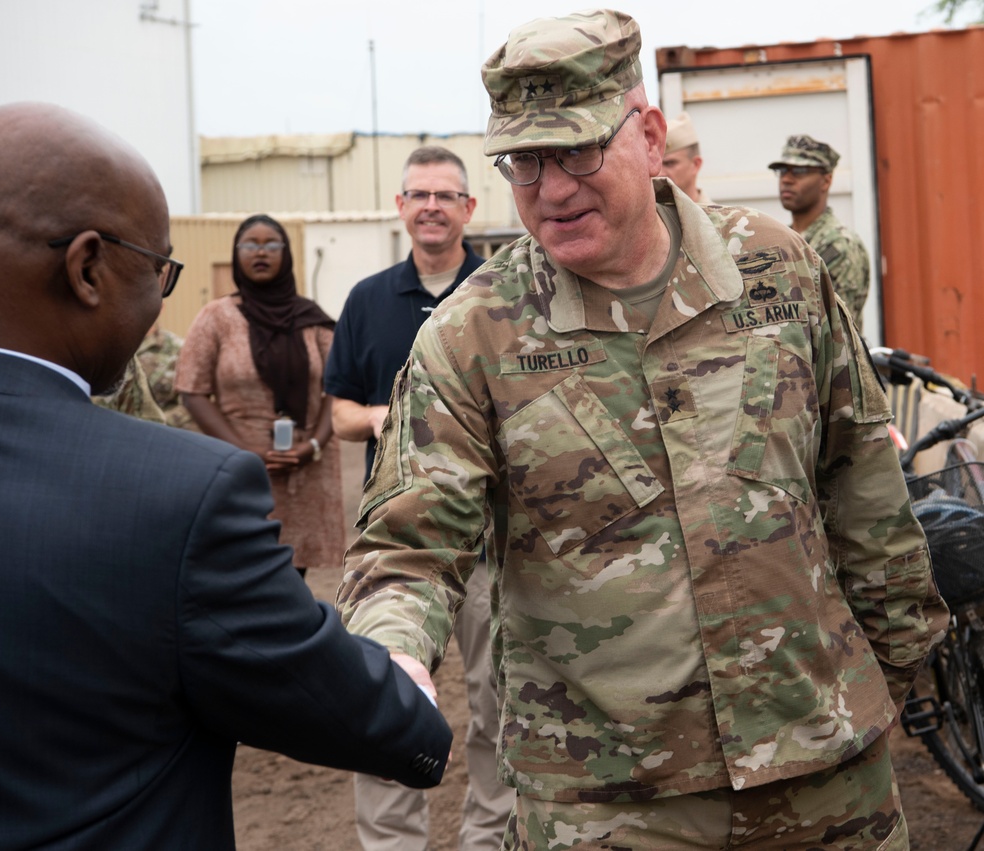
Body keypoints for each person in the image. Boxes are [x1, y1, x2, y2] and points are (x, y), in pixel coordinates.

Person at [337, 9, 948, 850]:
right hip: (609, 801)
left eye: (579, 150)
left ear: (650, 136)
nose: (551, 188)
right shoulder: (472, 333)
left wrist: (895, 662)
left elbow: (861, 479)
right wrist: (393, 652)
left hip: (828, 772)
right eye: (524, 161)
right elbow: (408, 545)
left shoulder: (780, 271)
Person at [0, 101, 451, 850]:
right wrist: (405, 681)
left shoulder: (311, 321)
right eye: (159, 271)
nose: (160, 299)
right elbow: (333, 700)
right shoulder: (174, 498)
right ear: (88, 268)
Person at [325, 146, 514, 851]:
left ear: (470, 209)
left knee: (502, 704)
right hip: (400, 542)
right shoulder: (367, 300)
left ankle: (488, 840)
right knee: (388, 699)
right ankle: (393, 845)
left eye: (446, 194)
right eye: (418, 193)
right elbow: (337, 412)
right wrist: (382, 417)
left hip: (495, 542)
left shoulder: (503, 293)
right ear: (400, 208)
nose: (431, 205)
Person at [176, 214, 343, 576]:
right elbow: (192, 391)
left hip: (303, 470)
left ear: (287, 254)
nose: (261, 252)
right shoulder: (216, 317)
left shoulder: (312, 319)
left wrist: (313, 445)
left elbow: (338, 386)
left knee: (293, 578)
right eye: (250, 244)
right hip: (241, 470)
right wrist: (243, 451)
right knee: (243, 571)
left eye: (272, 244)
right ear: (236, 255)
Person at [769, 134, 871, 332]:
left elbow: (836, 331)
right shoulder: (785, 238)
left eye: (799, 171)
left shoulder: (840, 244)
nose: (787, 179)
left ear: (826, 181)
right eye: (782, 170)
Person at [137, 320, 197, 430]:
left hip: (162, 430)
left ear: (161, 307)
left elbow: (192, 404)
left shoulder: (179, 348)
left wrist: (151, 425)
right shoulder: (110, 345)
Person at [661, 111, 710, 203]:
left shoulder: (723, 216)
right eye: (657, 164)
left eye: (669, 163)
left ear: (695, 165)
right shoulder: (650, 216)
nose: (660, 173)